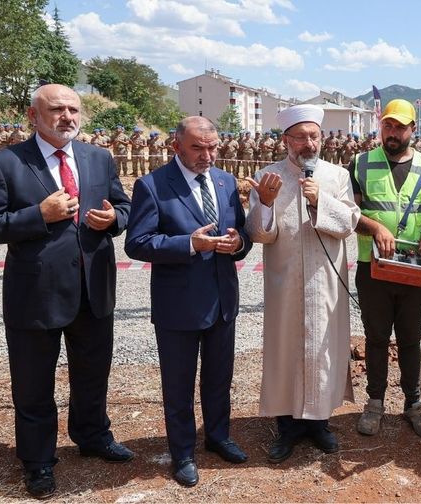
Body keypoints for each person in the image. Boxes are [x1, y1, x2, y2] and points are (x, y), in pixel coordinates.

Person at [0, 84, 133, 499]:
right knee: (33, 384)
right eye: (56, 109)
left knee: (92, 372)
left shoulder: (98, 157)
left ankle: (93, 436)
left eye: (73, 109)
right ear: (33, 116)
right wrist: (37, 215)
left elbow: (125, 206)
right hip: (35, 295)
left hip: (93, 288)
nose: (67, 116)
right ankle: (39, 460)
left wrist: (113, 218)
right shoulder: (3, 163)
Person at [124, 116, 252, 487]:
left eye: (213, 147)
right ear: (176, 146)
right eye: (198, 147)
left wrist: (238, 242)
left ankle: (218, 437)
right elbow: (137, 243)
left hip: (222, 301)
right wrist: (188, 244)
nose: (207, 155)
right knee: (178, 385)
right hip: (178, 306)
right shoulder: (152, 185)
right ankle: (182, 453)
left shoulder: (226, 182)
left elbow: (242, 232)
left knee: (218, 379)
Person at [244, 104, 360, 464]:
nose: (308, 143)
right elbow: (261, 234)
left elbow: (348, 224)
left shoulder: (337, 176)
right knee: (286, 348)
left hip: (325, 283)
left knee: (324, 349)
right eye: (300, 137)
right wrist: (265, 203)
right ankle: (288, 426)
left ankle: (319, 423)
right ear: (286, 141)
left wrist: (319, 199)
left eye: (314, 136)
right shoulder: (268, 175)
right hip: (285, 283)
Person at [350, 99, 421, 438]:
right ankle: (374, 403)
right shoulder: (360, 163)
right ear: (381, 126)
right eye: (388, 126)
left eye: (400, 127)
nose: (393, 133)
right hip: (373, 268)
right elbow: (351, 213)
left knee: (410, 338)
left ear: (412, 129)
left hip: (413, 269)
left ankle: (413, 405)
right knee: (376, 337)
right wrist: (376, 228)